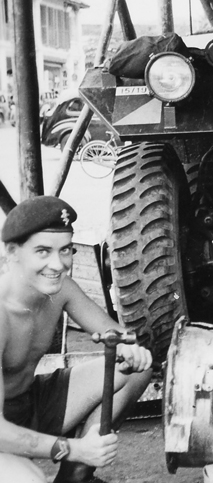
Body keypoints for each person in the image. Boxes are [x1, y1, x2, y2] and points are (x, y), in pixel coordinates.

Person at [0, 196, 152, 483]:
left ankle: (75, 479)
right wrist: (73, 449)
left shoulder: (61, 289)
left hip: (30, 403)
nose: (58, 264)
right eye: (43, 251)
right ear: (12, 252)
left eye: (66, 250)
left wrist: (129, 349)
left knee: (136, 370)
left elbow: (118, 337)